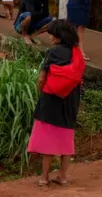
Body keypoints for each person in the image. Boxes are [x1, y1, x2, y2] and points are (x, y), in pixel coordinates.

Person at [28, 20, 83, 186]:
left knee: (48, 136)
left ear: (58, 35)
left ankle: (44, 177)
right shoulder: (76, 52)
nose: (49, 36)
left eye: (51, 33)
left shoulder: (53, 52)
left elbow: (42, 77)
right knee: (66, 135)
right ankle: (63, 177)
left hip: (51, 98)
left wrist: (41, 92)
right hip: (71, 98)